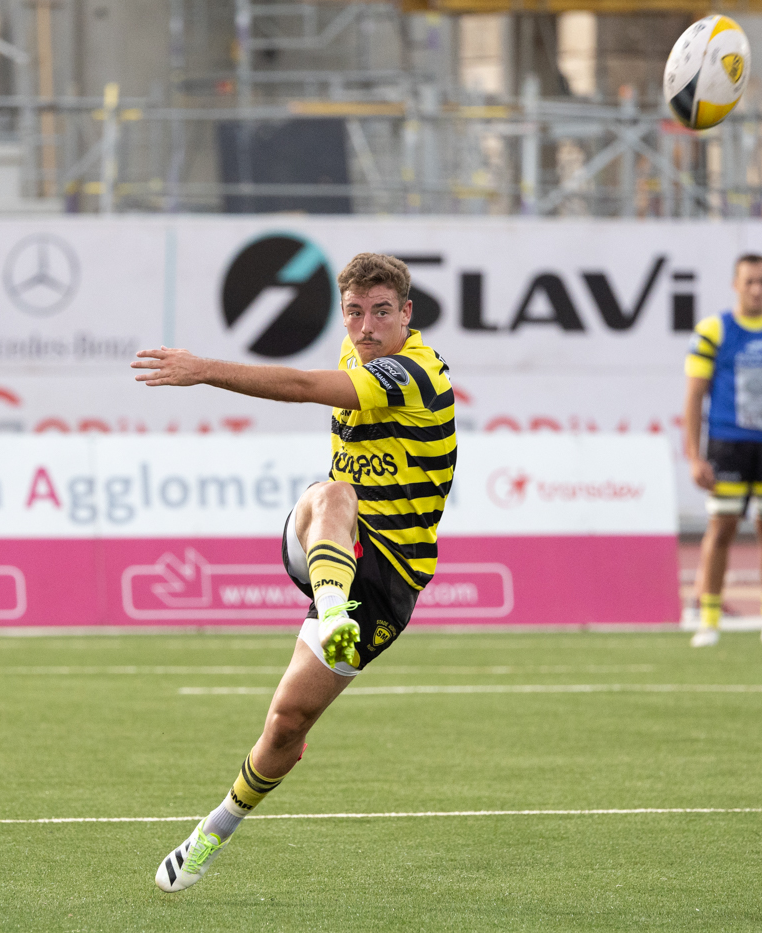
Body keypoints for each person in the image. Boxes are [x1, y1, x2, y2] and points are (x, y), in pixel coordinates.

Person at [131, 252, 455, 892]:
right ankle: (332, 606)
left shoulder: (411, 371)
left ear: (407, 315)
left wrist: (204, 371)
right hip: (332, 545)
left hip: (389, 582)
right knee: (333, 493)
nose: (366, 327)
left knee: (286, 725)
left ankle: (213, 831)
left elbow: (306, 390)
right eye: (356, 313)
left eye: (382, 312)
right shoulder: (352, 351)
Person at [683, 253, 762, 647]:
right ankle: (708, 619)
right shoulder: (713, 330)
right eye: (749, 281)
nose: (757, 289)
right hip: (728, 445)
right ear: (735, 285)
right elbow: (693, 397)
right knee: (722, 529)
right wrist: (693, 454)